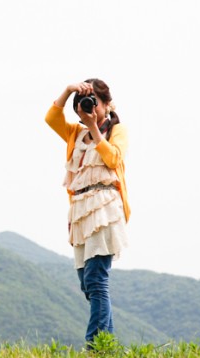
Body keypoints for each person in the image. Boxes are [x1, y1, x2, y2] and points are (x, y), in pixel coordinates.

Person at [45, 78, 130, 345]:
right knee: (88, 285)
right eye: (85, 103)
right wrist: (69, 89)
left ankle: (94, 347)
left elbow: (113, 159)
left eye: (95, 101)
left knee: (96, 280)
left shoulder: (116, 130)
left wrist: (94, 126)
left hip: (104, 208)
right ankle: (108, 346)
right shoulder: (75, 133)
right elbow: (51, 117)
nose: (90, 107)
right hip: (80, 210)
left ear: (107, 104)